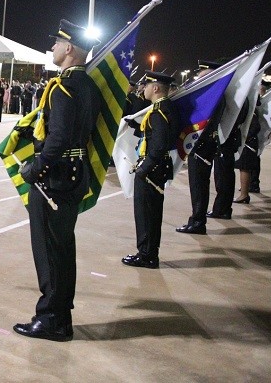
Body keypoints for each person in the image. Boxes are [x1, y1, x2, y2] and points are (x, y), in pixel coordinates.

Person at [14, 19, 101, 342]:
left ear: (69, 49)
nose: (51, 48)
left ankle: (51, 318)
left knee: (50, 250)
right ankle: (60, 315)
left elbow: (60, 136)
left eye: (56, 43)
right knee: (62, 249)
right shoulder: (88, 85)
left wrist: (36, 167)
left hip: (56, 178)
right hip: (74, 174)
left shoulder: (63, 86)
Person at [121, 71, 179, 269]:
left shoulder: (158, 112)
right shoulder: (164, 108)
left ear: (155, 88)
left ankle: (146, 255)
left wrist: (143, 169)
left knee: (146, 214)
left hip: (152, 169)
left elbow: (160, 143)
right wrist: (135, 128)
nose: (143, 88)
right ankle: (149, 252)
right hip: (158, 167)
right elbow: (156, 136)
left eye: (146, 85)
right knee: (151, 213)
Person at [176, 60, 223, 234]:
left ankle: (197, 222)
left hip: (202, 145)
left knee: (198, 185)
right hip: (202, 144)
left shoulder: (215, 96)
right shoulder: (214, 95)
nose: (198, 80)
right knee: (199, 184)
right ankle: (197, 219)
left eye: (203, 77)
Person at [234, 97, 261, 204]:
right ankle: (244, 193)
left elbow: (255, 127)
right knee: (244, 169)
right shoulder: (252, 109)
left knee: (244, 168)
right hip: (249, 143)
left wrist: (245, 138)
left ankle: (244, 195)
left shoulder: (251, 110)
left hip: (248, 144)